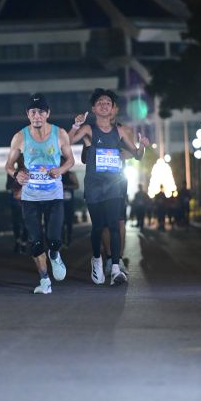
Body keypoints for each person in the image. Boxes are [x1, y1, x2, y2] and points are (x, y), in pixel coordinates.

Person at [69, 88, 149, 287]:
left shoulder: (120, 131)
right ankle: (97, 259)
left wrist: (142, 146)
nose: (104, 105)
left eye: (108, 103)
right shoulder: (88, 129)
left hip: (114, 185)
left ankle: (115, 268)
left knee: (114, 225)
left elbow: (137, 155)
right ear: (93, 109)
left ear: (113, 108)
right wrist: (76, 125)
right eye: (100, 103)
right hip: (94, 186)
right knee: (98, 227)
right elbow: (67, 142)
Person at [5, 93, 75, 294]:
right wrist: (16, 174)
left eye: (41, 112)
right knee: (35, 241)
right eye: (33, 112)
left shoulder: (59, 133)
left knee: (54, 239)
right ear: (28, 114)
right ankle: (44, 280)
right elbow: (9, 165)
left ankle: (55, 255)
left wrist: (60, 170)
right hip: (30, 197)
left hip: (54, 195)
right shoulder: (20, 137)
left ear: (48, 113)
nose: (37, 116)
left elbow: (70, 160)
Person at [5, 153, 28, 253]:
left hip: (27, 202)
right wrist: (15, 189)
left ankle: (24, 242)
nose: (21, 161)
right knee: (16, 222)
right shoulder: (12, 172)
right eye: (19, 159)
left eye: (23, 159)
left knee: (27, 222)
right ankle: (18, 241)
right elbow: (8, 186)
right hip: (15, 201)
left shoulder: (30, 172)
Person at [61, 157, 79, 247]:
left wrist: (66, 186)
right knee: (60, 222)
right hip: (59, 202)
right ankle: (61, 240)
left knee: (68, 222)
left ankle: (68, 239)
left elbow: (77, 186)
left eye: (62, 162)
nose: (61, 164)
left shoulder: (71, 174)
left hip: (69, 202)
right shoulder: (55, 174)